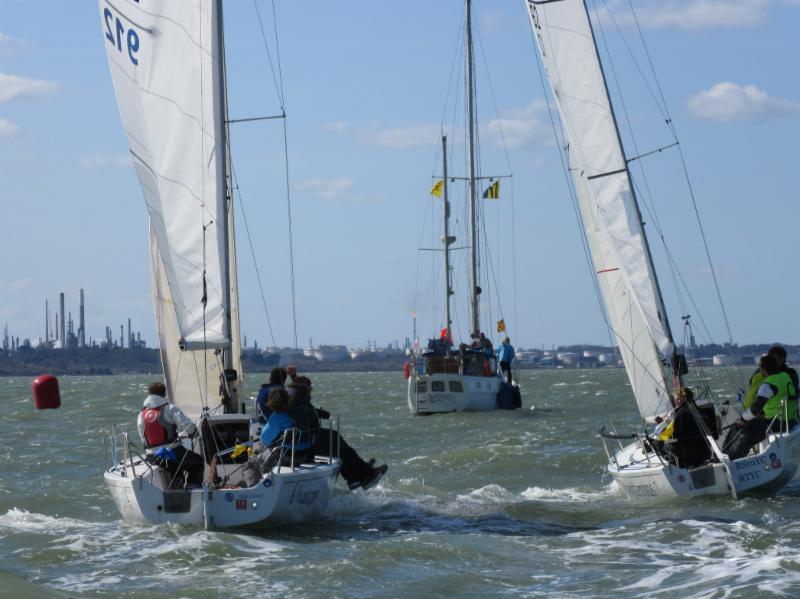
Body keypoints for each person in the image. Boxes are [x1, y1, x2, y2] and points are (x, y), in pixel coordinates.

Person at [285, 373, 388, 491]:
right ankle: (362, 473)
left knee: (335, 443)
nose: (310, 392)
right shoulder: (300, 401)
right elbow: (310, 412)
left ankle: (357, 475)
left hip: (301, 440)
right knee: (335, 441)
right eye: (309, 389)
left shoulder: (290, 397)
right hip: (305, 442)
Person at [725, 355, 797, 460]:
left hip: (775, 422)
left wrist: (742, 419)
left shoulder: (767, 384)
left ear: (762, 369)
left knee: (743, 432)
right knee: (750, 425)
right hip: (790, 420)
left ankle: (729, 459)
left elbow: (755, 410)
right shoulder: (785, 376)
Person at [137, 381, 205, 487]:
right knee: (198, 462)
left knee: (176, 463)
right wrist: (194, 433)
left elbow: (143, 438)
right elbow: (188, 427)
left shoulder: (141, 415)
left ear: (149, 395)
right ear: (163, 394)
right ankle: (191, 490)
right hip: (172, 452)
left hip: (152, 457)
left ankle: (177, 481)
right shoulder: (169, 408)